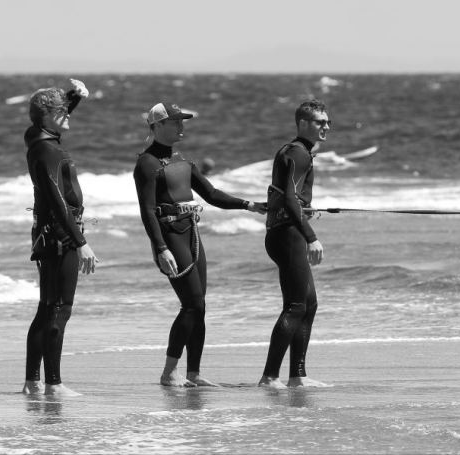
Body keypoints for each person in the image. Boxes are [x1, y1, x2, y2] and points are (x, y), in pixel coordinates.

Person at [133, 102, 266, 387]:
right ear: (157, 126)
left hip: (191, 233)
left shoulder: (181, 159)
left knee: (200, 306)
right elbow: (147, 211)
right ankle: (169, 373)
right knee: (191, 304)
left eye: (182, 121)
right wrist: (160, 248)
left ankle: (194, 373)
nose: (181, 126)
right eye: (175, 122)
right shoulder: (146, 163)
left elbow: (211, 193)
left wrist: (250, 205)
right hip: (170, 237)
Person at [23, 79, 99, 397]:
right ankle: (53, 385)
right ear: (48, 116)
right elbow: (56, 199)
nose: (68, 114)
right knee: (59, 309)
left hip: (50, 232)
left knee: (47, 307)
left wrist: (74, 97)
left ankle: (32, 382)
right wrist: (80, 242)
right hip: (59, 235)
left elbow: (52, 116)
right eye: (63, 111)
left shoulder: (39, 139)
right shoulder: (47, 149)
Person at [258, 100, 331, 389]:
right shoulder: (299, 153)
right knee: (296, 305)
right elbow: (288, 199)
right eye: (319, 122)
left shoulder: (296, 152)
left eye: (327, 122)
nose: (325, 126)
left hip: (286, 231)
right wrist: (311, 236)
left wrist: (305, 210)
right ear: (303, 124)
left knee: (308, 304)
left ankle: (297, 376)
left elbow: (288, 198)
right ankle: (270, 377)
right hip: (287, 235)